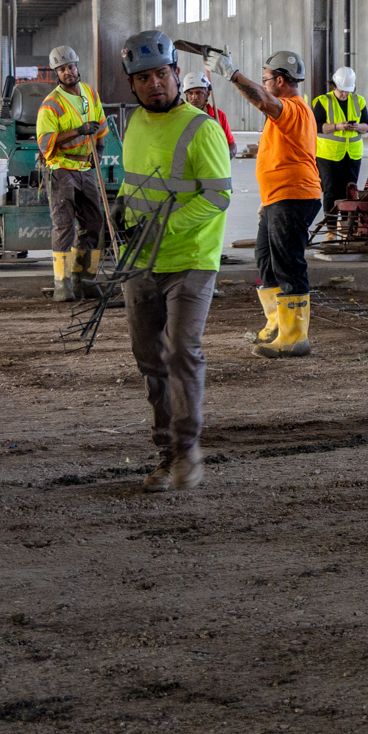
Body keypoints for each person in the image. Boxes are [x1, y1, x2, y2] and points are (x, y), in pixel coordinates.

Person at [115, 30, 232, 492]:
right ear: (132, 85)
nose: (154, 85)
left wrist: (167, 226)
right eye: (143, 78)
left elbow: (217, 198)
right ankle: (165, 452)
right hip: (141, 262)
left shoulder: (202, 129)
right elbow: (132, 186)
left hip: (191, 261)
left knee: (182, 351)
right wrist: (123, 218)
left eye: (161, 74)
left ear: (176, 74)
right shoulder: (135, 126)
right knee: (149, 360)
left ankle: (187, 450)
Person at [210, 48, 318, 358]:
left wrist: (233, 75)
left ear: (281, 81)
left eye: (266, 79)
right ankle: (276, 326)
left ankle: (295, 336)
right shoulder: (287, 111)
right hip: (278, 199)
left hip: (293, 196)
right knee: (266, 260)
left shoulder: (292, 108)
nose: (263, 84)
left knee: (288, 265)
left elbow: (263, 99)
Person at [35, 43, 108, 302]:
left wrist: (97, 154)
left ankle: (84, 278)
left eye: (71, 66)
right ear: (56, 73)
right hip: (61, 169)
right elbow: (45, 144)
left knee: (93, 223)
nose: (68, 72)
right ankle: (62, 284)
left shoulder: (90, 93)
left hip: (87, 168)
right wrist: (79, 131)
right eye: (62, 69)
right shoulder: (50, 105)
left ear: (78, 66)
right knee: (64, 226)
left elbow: (101, 127)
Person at [312, 67, 368, 235]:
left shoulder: (359, 101)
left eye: (348, 91)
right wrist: (338, 127)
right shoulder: (322, 101)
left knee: (349, 192)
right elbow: (315, 126)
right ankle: (331, 230)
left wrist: (358, 127)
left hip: (351, 154)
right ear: (334, 86)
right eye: (343, 91)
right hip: (328, 155)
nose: (345, 94)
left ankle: (345, 229)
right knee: (331, 191)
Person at [181, 72, 235, 156]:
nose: (194, 97)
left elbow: (232, 144)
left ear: (207, 94)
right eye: (190, 93)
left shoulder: (219, 115)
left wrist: (227, 156)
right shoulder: (181, 117)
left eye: (198, 93)